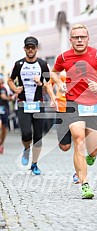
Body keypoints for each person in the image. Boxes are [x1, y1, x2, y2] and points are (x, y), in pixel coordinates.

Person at [46, 24, 97, 199]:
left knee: (93, 150)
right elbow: (53, 73)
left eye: (82, 37)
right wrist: (60, 83)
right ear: (71, 40)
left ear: (88, 38)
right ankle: (84, 183)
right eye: (76, 37)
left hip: (94, 105)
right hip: (73, 104)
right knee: (79, 141)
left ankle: (90, 159)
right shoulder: (64, 57)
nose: (79, 40)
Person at [8, 36, 50, 175]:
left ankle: (35, 164)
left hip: (38, 104)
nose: (30, 49)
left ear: (37, 49)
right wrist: (15, 89)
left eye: (33, 47)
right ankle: (26, 150)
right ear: (24, 49)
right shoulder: (19, 64)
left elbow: (50, 83)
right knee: (26, 133)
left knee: (38, 136)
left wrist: (41, 83)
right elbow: (10, 80)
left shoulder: (43, 64)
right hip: (23, 104)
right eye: (28, 47)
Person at [0, 75, 15, 153]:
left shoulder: (5, 87)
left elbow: (6, 96)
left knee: (4, 127)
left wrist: (11, 97)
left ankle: (1, 144)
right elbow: (3, 96)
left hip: (4, 109)